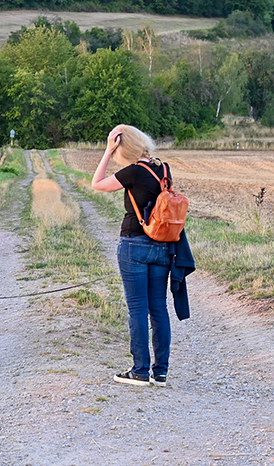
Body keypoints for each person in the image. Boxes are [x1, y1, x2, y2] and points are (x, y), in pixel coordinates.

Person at [91, 124, 181, 387]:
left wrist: (107, 152)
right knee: (158, 308)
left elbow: (97, 183)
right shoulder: (164, 169)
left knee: (138, 309)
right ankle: (160, 372)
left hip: (134, 244)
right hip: (162, 246)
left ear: (122, 147)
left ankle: (140, 371)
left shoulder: (132, 172)